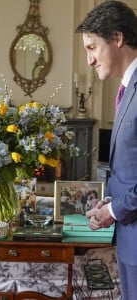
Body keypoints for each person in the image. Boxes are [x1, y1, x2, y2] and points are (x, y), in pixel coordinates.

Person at [76, 1, 137, 299]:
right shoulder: (127, 89)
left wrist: (113, 211)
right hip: (129, 240)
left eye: (91, 47)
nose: (89, 60)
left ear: (117, 38)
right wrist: (109, 202)